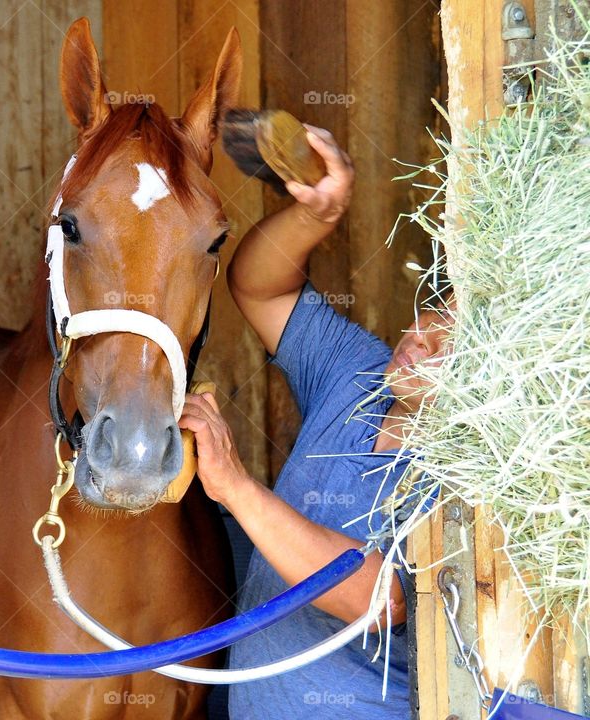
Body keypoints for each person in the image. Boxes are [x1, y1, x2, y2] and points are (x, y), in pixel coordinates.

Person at [178, 126, 453, 719]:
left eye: (453, 345)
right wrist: (318, 216)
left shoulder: (468, 475)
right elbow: (259, 287)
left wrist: (234, 487)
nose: (423, 340)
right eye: (432, 315)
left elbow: (379, 598)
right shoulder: (360, 374)